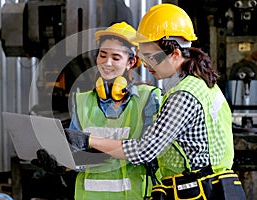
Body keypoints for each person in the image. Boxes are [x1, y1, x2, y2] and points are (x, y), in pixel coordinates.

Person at [64, 4, 247, 200]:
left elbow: (145, 150)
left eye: (151, 57)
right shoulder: (200, 85)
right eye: (144, 56)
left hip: (201, 191)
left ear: (175, 54)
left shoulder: (183, 95)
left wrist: (89, 140)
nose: (147, 64)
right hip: (210, 187)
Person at [33, 21, 162, 200]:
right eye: (102, 55)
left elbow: (150, 154)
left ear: (131, 62)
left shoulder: (148, 99)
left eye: (116, 58)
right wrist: (60, 163)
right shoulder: (83, 101)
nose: (107, 63)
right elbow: (76, 154)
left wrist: (92, 142)